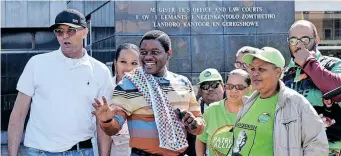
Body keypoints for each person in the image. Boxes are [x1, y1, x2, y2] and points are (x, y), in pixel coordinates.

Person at [8, 9, 113, 156]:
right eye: (59, 31)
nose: (64, 36)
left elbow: (102, 121)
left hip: (82, 151)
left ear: (85, 32)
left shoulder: (101, 72)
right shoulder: (37, 64)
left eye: (71, 31)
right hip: (39, 152)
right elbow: (18, 114)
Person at [92, 30, 206, 156]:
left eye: (155, 52)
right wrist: (106, 120)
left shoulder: (183, 83)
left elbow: (200, 124)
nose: (148, 57)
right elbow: (113, 129)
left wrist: (194, 124)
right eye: (143, 52)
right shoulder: (127, 85)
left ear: (169, 53)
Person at [229, 47, 328, 156]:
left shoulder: (296, 103)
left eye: (261, 69)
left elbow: (318, 145)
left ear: (277, 72)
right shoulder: (248, 102)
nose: (255, 73)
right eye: (252, 69)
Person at [283, 20, 341, 155]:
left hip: (331, 150)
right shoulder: (284, 74)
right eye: (293, 40)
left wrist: (308, 63)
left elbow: (338, 90)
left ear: (317, 40)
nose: (299, 45)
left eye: (305, 39)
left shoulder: (333, 64)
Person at [196, 69, 251, 156]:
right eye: (230, 86)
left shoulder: (254, 110)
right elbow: (201, 138)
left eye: (239, 87)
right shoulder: (210, 110)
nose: (233, 90)